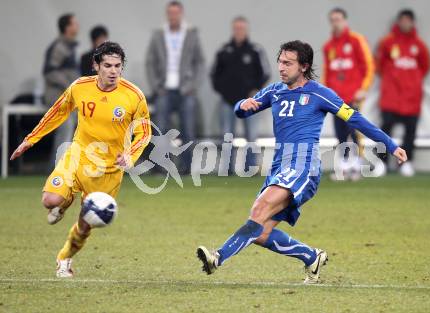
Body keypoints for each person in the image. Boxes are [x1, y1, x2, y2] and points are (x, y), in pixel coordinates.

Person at [197, 40, 407, 284]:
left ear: (304, 67)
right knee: (261, 231)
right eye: (280, 62)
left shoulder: (319, 93)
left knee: (258, 211)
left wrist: (391, 145)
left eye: (288, 63)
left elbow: (355, 119)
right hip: (279, 167)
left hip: (303, 167)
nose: (281, 67)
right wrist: (241, 105)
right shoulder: (275, 91)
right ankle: (311, 256)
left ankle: (217, 257)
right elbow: (243, 110)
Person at [10, 42, 151, 278]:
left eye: (117, 66)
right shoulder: (80, 87)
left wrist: (130, 154)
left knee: (87, 225)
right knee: (50, 200)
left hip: (108, 170)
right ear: (96, 66)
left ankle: (64, 258)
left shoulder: (134, 96)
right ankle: (63, 204)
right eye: (107, 65)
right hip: (78, 155)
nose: (113, 71)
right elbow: (58, 111)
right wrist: (31, 139)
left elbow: (145, 132)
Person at [146, 0, 205, 174]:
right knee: (160, 129)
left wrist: (193, 86)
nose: (173, 16)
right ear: (167, 14)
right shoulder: (158, 35)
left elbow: (200, 62)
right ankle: (161, 167)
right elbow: (150, 62)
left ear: (181, 14)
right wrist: (156, 87)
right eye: (170, 13)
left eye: (176, 13)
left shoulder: (191, 34)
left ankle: (186, 168)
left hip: (186, 90)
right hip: (163, 90)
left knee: (188, 128)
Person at [211, 16, 270, 173]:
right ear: (233, 30)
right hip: (227, 101)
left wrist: (256, 89)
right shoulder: (224, 50)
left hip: (249, 101)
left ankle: (249, 168)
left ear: (246, 30)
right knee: (227, 136)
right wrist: (223, 92)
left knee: (251, 136)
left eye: (242, 28)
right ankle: (227, 170)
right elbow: (214, 75)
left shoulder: (255, 50)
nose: (239, 31)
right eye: (236, 28)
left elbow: (265, 73)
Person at [376, 9, 430, 177]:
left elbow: (425, 66)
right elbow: (379, 64)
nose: (405, 23)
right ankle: (381, 162)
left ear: (412, 23)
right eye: (403, 20)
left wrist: (411, 81)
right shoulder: (387, 43)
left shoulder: (419, 45)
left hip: (411, 97)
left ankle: (406, 163)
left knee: (410, 131)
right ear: (398, 22)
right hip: (391, 97)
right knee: (385, 130)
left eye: (408, 20)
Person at [322, 8, 375, 181]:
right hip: (336, 98)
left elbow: (369, 66)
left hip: (353, 96)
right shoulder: (328, 46)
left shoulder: (356, 41)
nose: (335, 23)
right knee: (340, 132)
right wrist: (325, 94)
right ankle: (344, 166)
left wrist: (363, 89)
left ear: (345, 21)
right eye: (333, 20)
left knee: (354, 129)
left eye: (338, 19)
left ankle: (358, 165)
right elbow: (327, 73)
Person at [43, 13, 80, 167]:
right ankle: (58, 169)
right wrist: (68, 84)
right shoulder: (60, 46)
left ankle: (65, 166)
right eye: (74, 23)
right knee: (66, 126)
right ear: (67, 27)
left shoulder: (69, 46)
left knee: (76, 126)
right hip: (56, 96)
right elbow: (49, 72)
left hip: (67, 97)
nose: (77, 25)